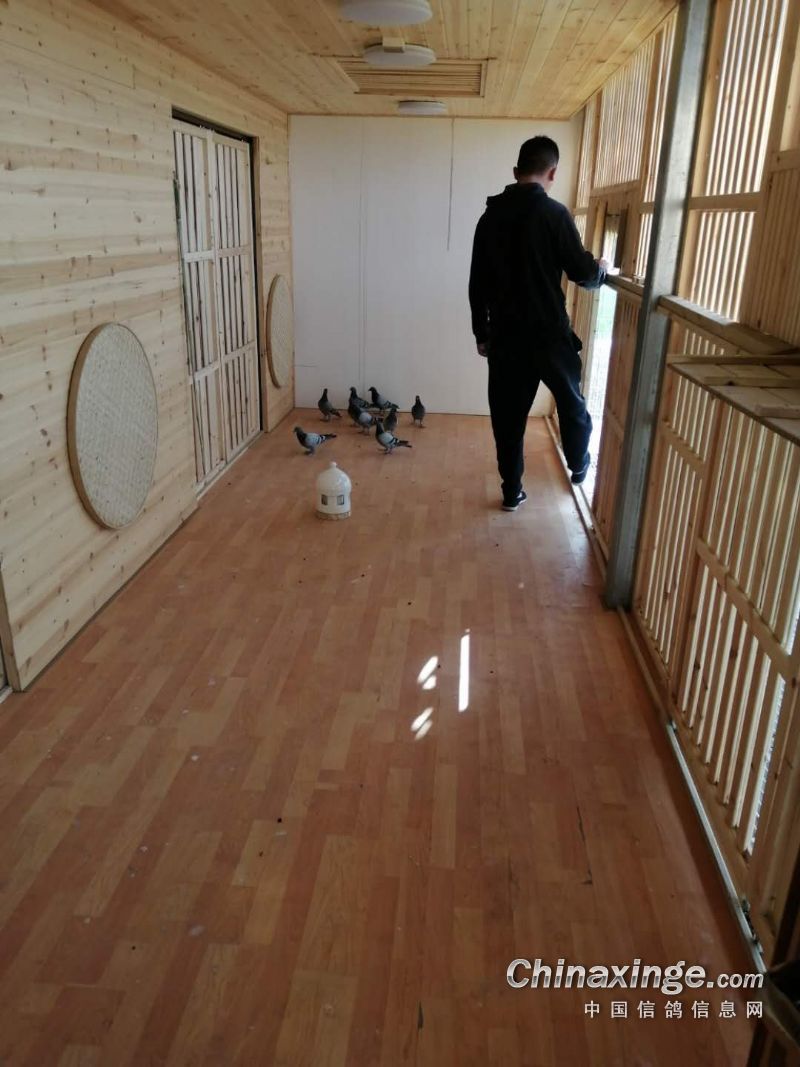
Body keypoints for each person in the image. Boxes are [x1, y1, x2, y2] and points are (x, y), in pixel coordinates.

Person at [469, 135, 608, 511]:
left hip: (505, 338)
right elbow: (582, 272)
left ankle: (511, 491)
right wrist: (600, 270)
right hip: (549, 335)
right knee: (572, 403)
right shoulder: (554, 214)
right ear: (553, 173)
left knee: (508, 420)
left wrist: (482, 333)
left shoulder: (489, 218)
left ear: (516, 172)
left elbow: (477, 283)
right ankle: (578, 465)